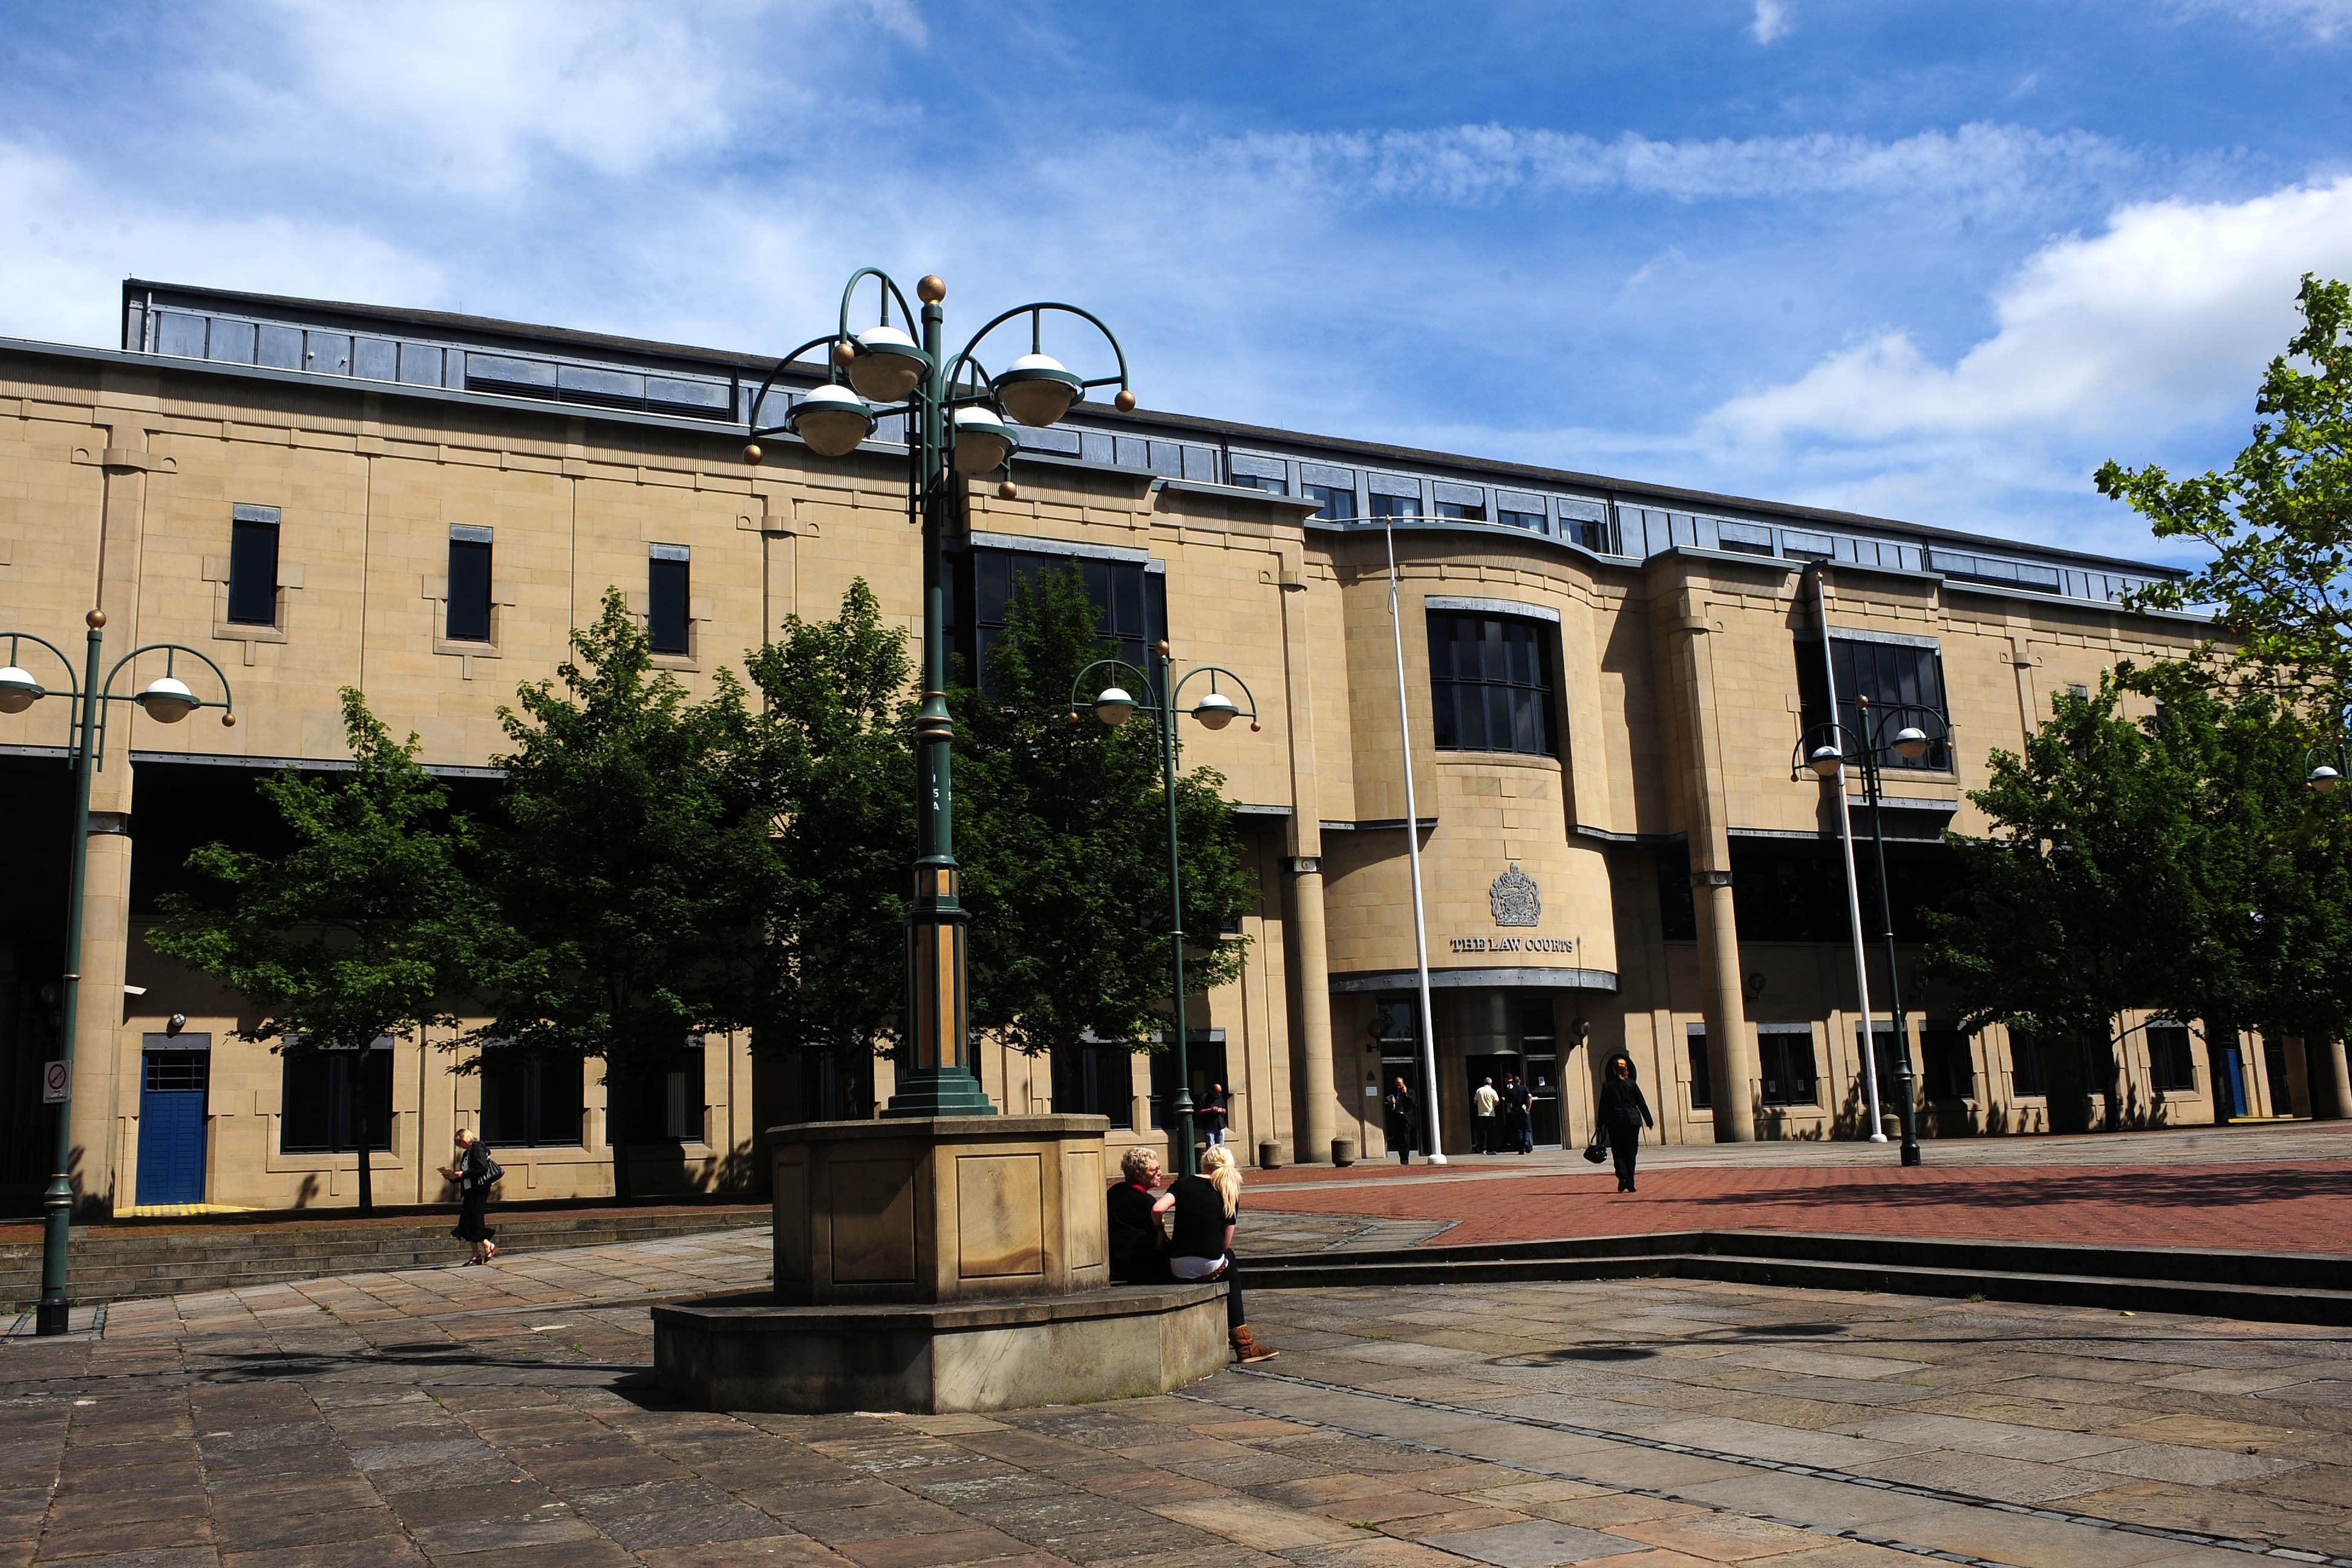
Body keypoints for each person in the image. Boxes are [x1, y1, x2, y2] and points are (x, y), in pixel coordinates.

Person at [1166, 1144, 1276, 1362]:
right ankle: (1244, 1345)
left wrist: (1161, 1230)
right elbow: (1225, 1245)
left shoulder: (1183, 1184)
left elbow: (1158, 1208)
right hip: (1208, 1266)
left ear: (1204, 1164)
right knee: (1232, 1266)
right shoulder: (1229, 1191)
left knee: (1227, 1261)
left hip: (1177, 1265)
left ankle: (1243, 1344)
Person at [1106, 1145, 1172, 1284]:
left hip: (1113, 1262)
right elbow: (1158, 1240)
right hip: (1136, 1264)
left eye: (1159, 1167)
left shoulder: (1114, 1191)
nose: (1160, 1173)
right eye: (1154, 1170)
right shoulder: (1145, 1201)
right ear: (1139, 1174)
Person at [439, 1128, 500, 1264]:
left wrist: (463, 1174)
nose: (458, 1145)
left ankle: (488, 1245)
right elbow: (466, 1174)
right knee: (466, 1222)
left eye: (459, 1141)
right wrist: (452, 1177)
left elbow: (481, 1168)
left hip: (479, 1190)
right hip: (470, 1190)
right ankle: (476, 1254)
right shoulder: (467, 1153)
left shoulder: (477, 1148)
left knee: (474, 1220)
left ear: (464, 1138)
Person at [1597, 1055, 1654, 1192]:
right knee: (1631, 1152)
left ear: (1614, 1069)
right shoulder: (1632, 1084)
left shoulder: (1608, 1085)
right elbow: (1641, 1103)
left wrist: (1600, 1123)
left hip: (1615, 1121)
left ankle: (1622, 1178)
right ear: (1626, 1069)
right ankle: (1630, 1181)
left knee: (1618, 1151)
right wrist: (1649, 1121)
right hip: (1632, 1121)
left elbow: (1603, 1106)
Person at [1382, 1076, 1418, 1165]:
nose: (1398, 1087)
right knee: (1398, 1139)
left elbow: (1412, 1102)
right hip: (1397, 1117)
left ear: (1403, 1084)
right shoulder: (1394, 1093)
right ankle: (1402, 1157)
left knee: (1406, 1139)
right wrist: (1392, 1103)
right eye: (1397, 1085)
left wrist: (1405, 1092)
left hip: (1406, 1118)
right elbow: (1388, 1104)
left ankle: (1406, 1158)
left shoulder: (1410, 1092)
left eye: (1400, 1085)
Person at [1508, 1074, 1535, 1154]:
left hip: (1516, 1111)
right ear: (1520, 1081)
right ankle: (1526, 1143)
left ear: (1513, 1082)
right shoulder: (1524, 1088)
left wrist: (1510, 1109)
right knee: (1527, 1128)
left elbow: (1509, 1103)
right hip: (1523, 1111)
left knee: (1519, 1130)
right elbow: (1530, 1097)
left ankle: (1521, 1149)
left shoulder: (1511, 1091)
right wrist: (1529, 1108)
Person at [1471, 1076, 1500, 1155]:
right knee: (1491, 1133)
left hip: (1481, 1114)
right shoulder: (1493, 1091)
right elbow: (1497, 1101)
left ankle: (1482, 1148)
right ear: (1491, 1083)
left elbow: (1475, 1101)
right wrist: (1493, 1105)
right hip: (1491, 1114)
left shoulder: (1479, 1090)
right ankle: (1490, 1149)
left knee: (1482, 1132)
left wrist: (1481, 1105)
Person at [1202, 1083, 1229, 1148]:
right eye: (1217, 1093)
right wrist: (1211, 1109)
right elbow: (1199, 1112)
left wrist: (1221, 1110)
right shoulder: (1205, 1098)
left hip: (1220, 1126)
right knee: (1211, 1147)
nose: (1218, 1095)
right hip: (1210, 1127)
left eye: (1219, 1093)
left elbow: (1225, 1111)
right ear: (1212, 1091)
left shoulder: (1220, 1098)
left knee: (1221, 1147)